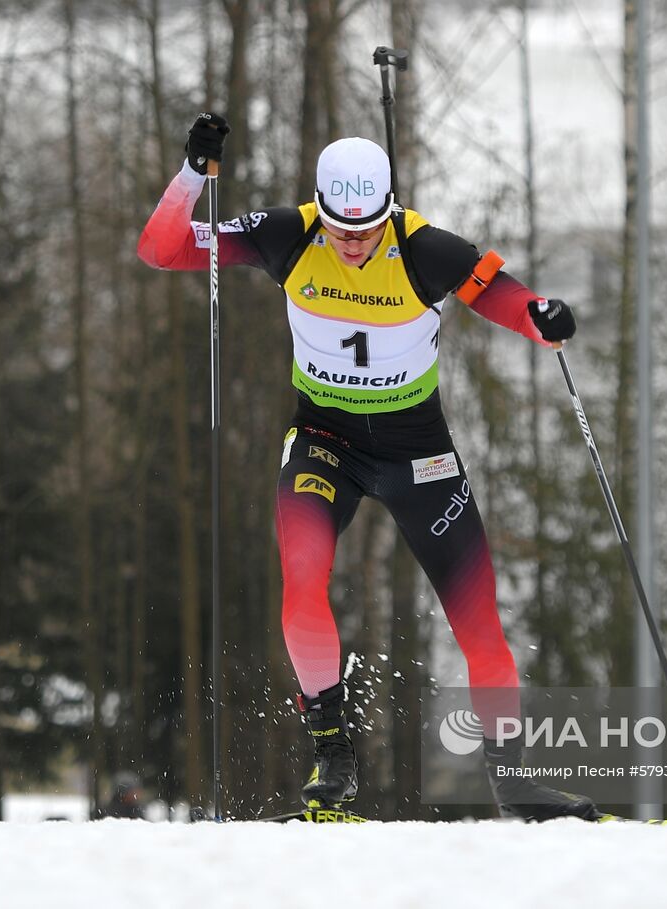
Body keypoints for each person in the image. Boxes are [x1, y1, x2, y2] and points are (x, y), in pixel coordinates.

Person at [138, 113, 599, 821]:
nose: (352, 244)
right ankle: (332, 754)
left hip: (419, 450)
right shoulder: (287, 234)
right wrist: (193, 175)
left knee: (478, 619)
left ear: (389, 210)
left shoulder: (424, 248)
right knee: (302, 581)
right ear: (320, 212)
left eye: (367, 228)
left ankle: (516, 780)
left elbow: (505, 297)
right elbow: (163, 250)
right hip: (326, 439)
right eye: (340, 228)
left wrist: (544, 315)